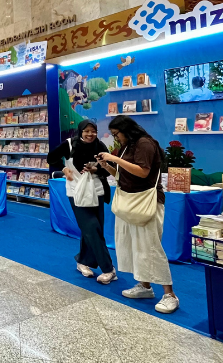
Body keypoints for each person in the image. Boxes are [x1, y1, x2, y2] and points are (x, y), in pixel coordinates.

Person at [96, 115, 179, 314]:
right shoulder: (128, 146)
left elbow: (143, 172)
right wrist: (107, 166)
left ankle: (170, 294)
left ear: (127, 129)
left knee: (150, 246)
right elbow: (123, 174)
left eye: (117, 134)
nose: (116, 138)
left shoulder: (145, 143)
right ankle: (145, 286)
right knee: (135, 245)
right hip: (130, 201)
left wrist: (113, 158)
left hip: (146, 202)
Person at [47, 120, 116, 284]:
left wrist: (97, 169)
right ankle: (109, 269)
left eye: (93, 131)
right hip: (76, 192)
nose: (90, 134)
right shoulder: (70, 144)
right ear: (81, 131)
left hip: (97, 191)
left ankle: (83, 261)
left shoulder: (99, 146)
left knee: (94, 229)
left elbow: (110, 168)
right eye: (87, 131)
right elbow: (51, 158)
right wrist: (64, 169)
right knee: (91, 227)